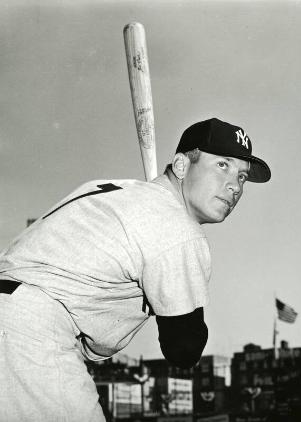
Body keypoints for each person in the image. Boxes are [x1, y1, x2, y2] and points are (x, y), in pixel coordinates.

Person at [0, 117, 270, 421]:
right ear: (181, 165)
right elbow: (184, 350)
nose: (234, 185)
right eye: (222, 165)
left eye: (243, 176)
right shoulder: (176, 229)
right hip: (30, 333)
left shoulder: (112, 190)